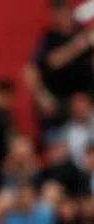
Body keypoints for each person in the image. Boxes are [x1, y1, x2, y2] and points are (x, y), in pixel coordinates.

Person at [26, 0, 94, 134]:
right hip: (60, 106)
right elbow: (51, 62)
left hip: (85, 105)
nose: (63, 16)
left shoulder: (83, 32)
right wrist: (42, 96)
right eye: (58, 12)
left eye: (65, 11)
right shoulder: (49, 39)